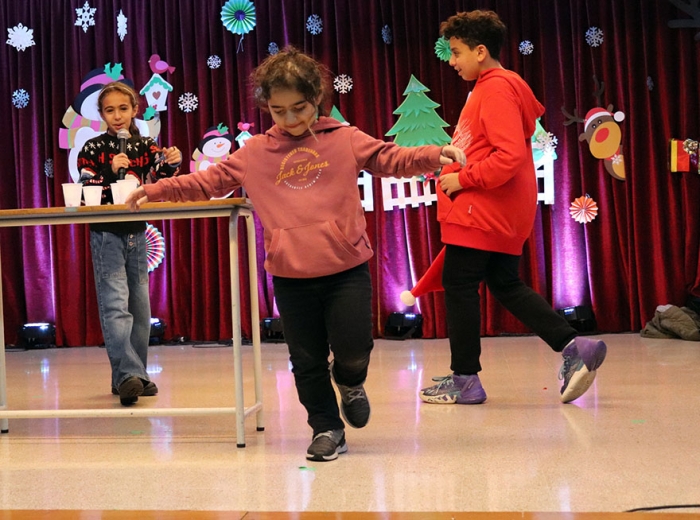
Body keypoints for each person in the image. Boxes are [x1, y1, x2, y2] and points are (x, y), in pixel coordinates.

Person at [125, 47, 465, 460]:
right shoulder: (255, 153)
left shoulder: (344, 138)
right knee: (306, 360)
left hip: (345, 269)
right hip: (291, 275)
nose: (289, 119)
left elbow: (389, 157)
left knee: (354, 349)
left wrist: (433, 154)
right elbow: (208, 181)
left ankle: (350, 381)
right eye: (278, 110)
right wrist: (156, 190)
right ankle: (326, 428)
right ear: (267, 107)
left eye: (299, 108)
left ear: (317, 98)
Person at [419, 10, 606, 406]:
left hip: (483, 209)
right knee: (503, 282)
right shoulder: (497, 86)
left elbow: (507, 157)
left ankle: (465, 378)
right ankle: (574, 346)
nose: (451, 62)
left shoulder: (496, 88)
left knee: (459, 283)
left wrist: (462, 180)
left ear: (480, 51)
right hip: (497, 208)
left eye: (456, 52)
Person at [77, 81, 182, 406]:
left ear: (135, 110)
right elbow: (84, 186)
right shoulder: (92, 147)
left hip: (137, 231)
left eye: (123, 108)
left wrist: (172, 161)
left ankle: (133, 376)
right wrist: (110, 170)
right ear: (101, 115)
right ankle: (128, 377)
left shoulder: (145, 145)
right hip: (106, 233)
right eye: (110, 110)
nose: (118, 116)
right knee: (115, 305)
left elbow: (160, 177)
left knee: (139, 307)